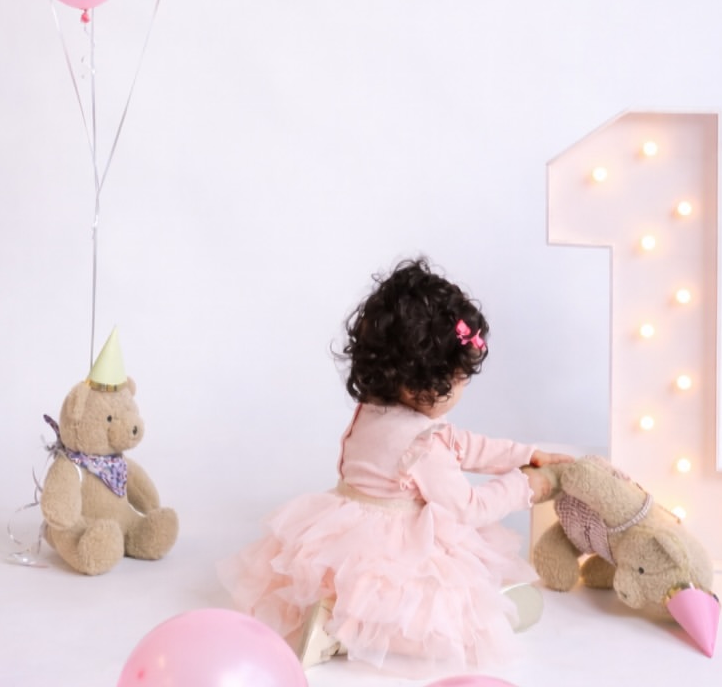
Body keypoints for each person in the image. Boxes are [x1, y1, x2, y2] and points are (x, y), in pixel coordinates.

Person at [217, 257, 572, 676]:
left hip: (345, 531)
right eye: (458, 380)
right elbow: (468, 508)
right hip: (400, 542)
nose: (463, 389)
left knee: (359, 587)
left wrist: (523, 454)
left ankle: (332, 609)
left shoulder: (372, 411)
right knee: (427, 611)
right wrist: (529, 486)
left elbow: (462, 445)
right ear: (418, 384)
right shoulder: (425, 444)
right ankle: (343, 632)